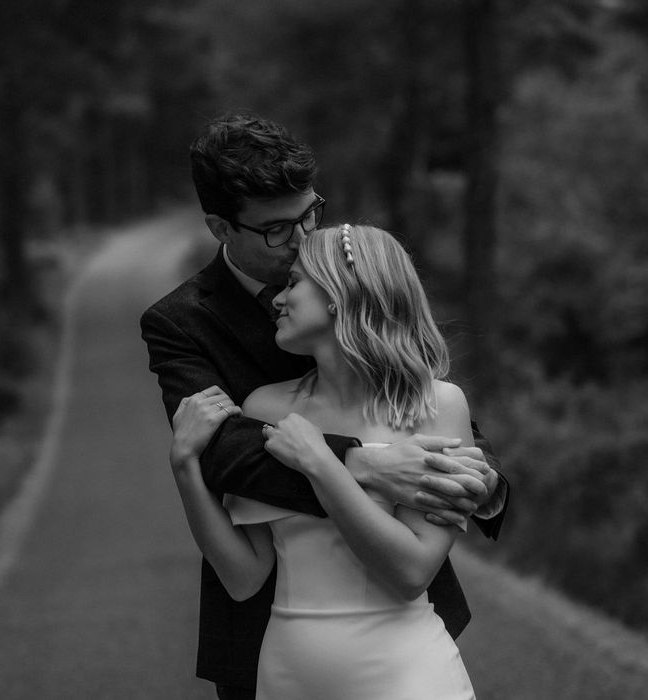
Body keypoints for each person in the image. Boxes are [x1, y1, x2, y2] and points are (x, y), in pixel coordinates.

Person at [140, 113, 508, 699]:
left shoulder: (339, 273)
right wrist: (361, 462)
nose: (303, 236)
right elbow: (227, 451)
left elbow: (430, 422)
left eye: (310, 213)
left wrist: (478, 481)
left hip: (397, 651)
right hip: (272, 644)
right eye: (277, 229)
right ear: (220, 226)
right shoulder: (182, 323)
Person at [170, 224, 477, 698]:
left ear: (338, 294)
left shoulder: (436, 405)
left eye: (293, 283)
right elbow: (244, 577)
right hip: (287, 673)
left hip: (404, 676)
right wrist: (185, 466)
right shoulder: (263, 408)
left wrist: (321, 460)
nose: (276, 299)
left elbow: (412, 573)